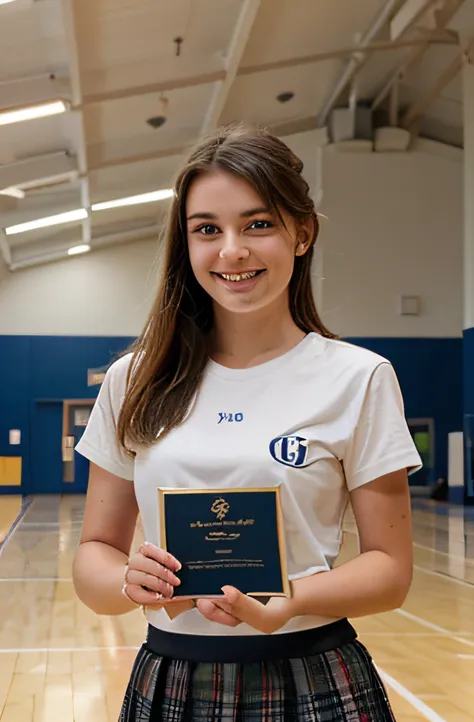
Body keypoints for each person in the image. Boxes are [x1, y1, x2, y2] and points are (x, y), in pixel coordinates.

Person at [73, 123, 422, 721]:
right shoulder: (134, 380)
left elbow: (390, 571)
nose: (231, 250)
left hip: (315, 675)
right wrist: (128, 580)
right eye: (207, 229)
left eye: (258, 224)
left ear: (302, 233)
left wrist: (290, 599)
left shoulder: (358, 377)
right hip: (172, 677)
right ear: (186, 244)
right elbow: (94, 556)